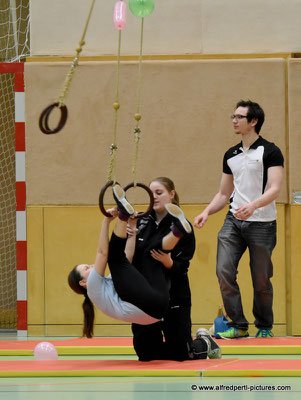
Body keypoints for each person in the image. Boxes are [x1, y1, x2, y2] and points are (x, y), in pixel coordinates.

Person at [194, 100, 284, 339]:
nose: (234, 120)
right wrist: (207, 211)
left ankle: (264, 326)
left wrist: (253, 206)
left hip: (262, 224)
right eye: (232, 116)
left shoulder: (271, 151)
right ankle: (239, 325)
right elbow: (224, 193)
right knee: (224, 270)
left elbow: (275, 189)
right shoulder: (230, 154)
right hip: (233, 221)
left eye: (239, 117)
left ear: (253, 121)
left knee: (261, 278)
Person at [68, 184, 195, 338]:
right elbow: (103, 253)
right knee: (113, 259)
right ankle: (122, 214)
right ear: (83, 282)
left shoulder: (107, 284)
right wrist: (106, 222)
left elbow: (127, 257)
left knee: (151, 255)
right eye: (87, 268)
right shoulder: (93, 288)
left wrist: (132, 228)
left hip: (158, 304)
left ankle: (177, 231)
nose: (92, 266)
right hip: (148, 307)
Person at [128, 177, 221, 361]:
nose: (154, 197)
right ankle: (161, 348)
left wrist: (169, 262)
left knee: (183, 354)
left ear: (171, 194)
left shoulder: (182, 226)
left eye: (159, 193)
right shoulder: (141, 221)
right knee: (145, 354)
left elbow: (182, 267)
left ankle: (205, 342)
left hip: (174, 295)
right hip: (146, 297)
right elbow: (130, 258)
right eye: (151, 193)